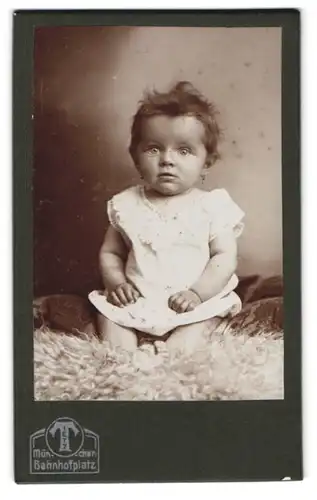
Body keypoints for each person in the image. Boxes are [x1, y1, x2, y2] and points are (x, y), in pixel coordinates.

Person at [89, 81, 244, 355]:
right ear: (136, 158)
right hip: (139, 300)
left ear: (205, 163)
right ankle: (126, 361)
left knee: (199, 328)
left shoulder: (213, 206)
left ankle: (169, 355)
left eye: (184, 151)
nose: (167, 160)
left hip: (194, 303)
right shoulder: (126, 204)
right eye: (153, 149)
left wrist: (198, 293)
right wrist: (117, 284)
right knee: (110, 318)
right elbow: (111, 253)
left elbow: (223, 257)